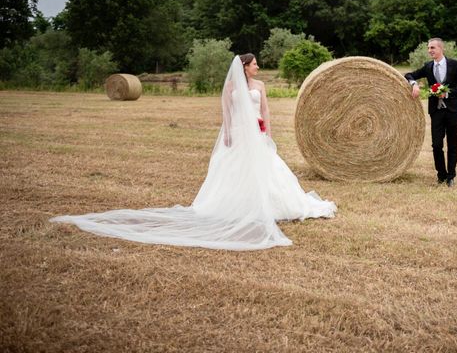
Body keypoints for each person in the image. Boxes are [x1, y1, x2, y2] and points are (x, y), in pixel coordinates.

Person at [51, 54, 336, 250]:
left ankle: (275, 205)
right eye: (255, 64)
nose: (258, 67)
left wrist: (268, 133)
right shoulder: (231, 86)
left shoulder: (261, 86)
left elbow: (265, 111)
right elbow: (226, 112)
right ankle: (234, 206)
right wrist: (228, 134)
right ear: (245, 66)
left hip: (258, 134)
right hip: (238, 134)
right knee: (234, 171)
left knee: (268, 169)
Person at [405, 38, 457, 187]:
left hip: (453, 111)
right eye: (428, 48)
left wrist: (447, 93)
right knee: (436, 144)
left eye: (432, 47)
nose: (430, 50)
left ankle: (451, 176)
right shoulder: (428, 67)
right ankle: (441, 175)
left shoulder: (454, 65)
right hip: (436, 112)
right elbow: (409, 74)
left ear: (440, 48)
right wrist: (414, 84)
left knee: (452, 145)